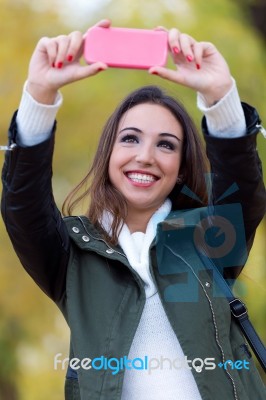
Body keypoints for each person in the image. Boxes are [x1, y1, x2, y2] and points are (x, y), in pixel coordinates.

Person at [1, 19, 265, 400]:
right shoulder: (70, 256)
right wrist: (40, 95)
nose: (145, 157)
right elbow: (22, 205)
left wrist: (220, 95)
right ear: (108, 153)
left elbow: (245, 191)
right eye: (130, 139)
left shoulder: (207, 242)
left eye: (166, 145)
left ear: (180, 167)